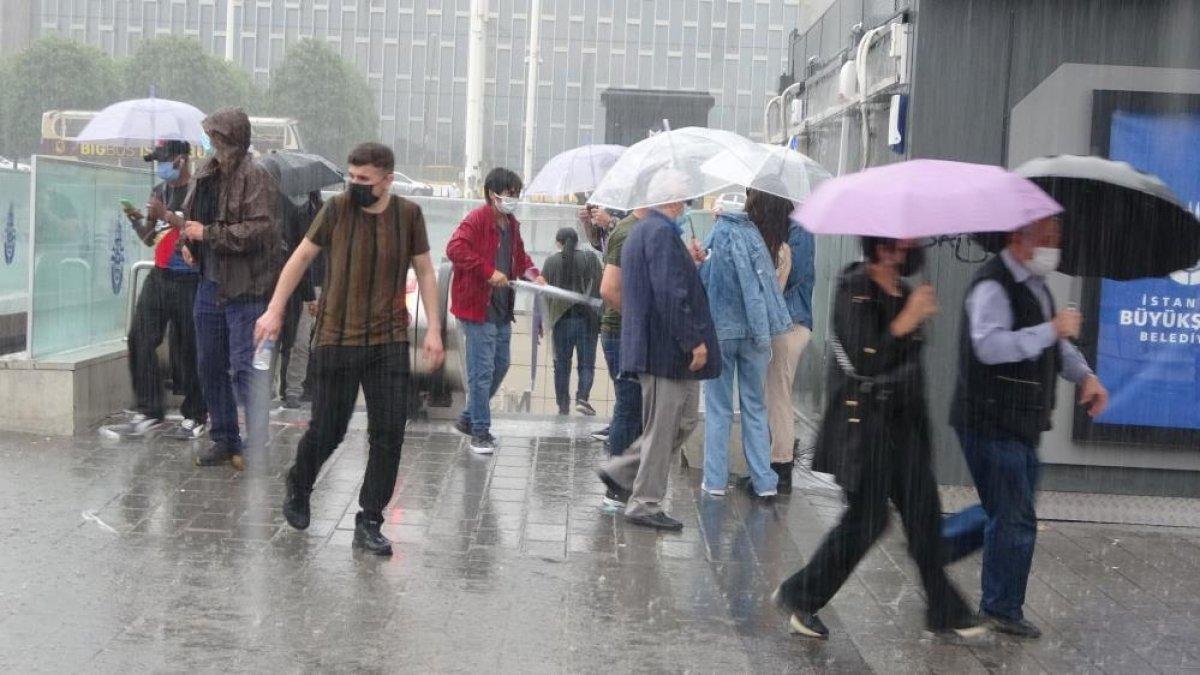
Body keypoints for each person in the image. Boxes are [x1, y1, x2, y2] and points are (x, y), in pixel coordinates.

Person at [773, 237, 983, 641]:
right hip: (865, 429)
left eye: (902, 243)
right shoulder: (855, 287)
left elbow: (907, 364)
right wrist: (908, 319)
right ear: (874, 243)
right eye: (888, 242)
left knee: (923, 518)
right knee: (867, 521)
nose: (896, 249)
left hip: (905, 430)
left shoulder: (904, 291)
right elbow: (865, 358)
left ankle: (944, 608)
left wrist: (915, 317)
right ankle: (801, 594)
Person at [257, 142, 444, 556]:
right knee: (329, 428)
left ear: (388, 180)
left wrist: (432, 330)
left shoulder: (409, 215)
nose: (356, 186)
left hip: (389, 341)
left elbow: (426, 271)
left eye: (365, 180)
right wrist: (274, 310)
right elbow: (301, 258)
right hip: (336, 339)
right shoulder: (336, 210)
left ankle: (370, 520)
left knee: (389, 433)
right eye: (352, 177)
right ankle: (299, 484)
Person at [941, 217, 1108, 638]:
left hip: (1020, 421)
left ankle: (935, 544)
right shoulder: (992, 286)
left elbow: (1057, 346)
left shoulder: (1036, 286)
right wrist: (1050, 329)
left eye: (1057, 238)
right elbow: (990, 346)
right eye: (1047, 238)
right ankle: (1000, 607)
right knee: (1014, 515)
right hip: (989, 418)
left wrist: (1085, 375)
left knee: (1008, 509)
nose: (1054, 247)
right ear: (1019, 238)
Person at [597, 173, 721, 531]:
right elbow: (669, 293)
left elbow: (666, 283)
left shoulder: (647, 232)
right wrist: (692, 340)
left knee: (680, 422)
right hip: (666, 350)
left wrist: (690, 261)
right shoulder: (660, 234)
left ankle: (622, 470)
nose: (685, 208)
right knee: (664, 427)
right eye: (683, 202)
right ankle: (645, 502)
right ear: (670, 202)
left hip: (659, 347)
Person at [179, 107, 284, 470]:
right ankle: (224, 437)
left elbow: (260, 230)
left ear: (235, 140)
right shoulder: (206, 175)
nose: (213, 144)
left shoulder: (256, 178)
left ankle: (256, 442)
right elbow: (191, 219)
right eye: (211, 137)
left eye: (218, 138)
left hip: (246, 290)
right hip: (208, 285)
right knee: (209, 364)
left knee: (245, 368)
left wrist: (208, 235)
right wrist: (188, 243)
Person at [105, 140, 207, 440]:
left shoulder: (198, 190)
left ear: (180, 160)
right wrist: (138, 218)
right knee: (139, 336)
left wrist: (167, 216)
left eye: (162, 161)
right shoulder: (159, 192)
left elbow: (200, 228)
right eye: (155, 161)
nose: (158, 167)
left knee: (189, 348)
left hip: (190, 278)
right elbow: (150, 238)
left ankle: (196, 414)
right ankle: (150, 410)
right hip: (160, 276)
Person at [697, 188, 792, 499]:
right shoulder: (755, 239)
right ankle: (764, 481)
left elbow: (701, 282)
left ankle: (714, 481)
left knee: (719, 408)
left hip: (721, 332)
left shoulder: (715, 236)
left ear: (723, 212)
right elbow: (766, 288)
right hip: (754, 335)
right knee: (754, 405)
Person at [447, 167, 545, 454]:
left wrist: (533, 273)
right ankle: (480, 432)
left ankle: (467, 419)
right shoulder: (477, 219)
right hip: (478, 310)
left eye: (516, 194)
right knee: (481, 372)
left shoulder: (511, 224)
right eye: (510, 194)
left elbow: (521, 257)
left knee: (500, 365)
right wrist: (488, 272)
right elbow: (455, 248)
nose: (513, 199)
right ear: (493, 194)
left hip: (502, 310)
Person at [767, 211, 817, 494]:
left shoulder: (798, 229)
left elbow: (795, 274)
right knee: (772, 395)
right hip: (787, 321)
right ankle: (774, 465)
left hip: (791, 322)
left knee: (777, 396)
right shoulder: (789, 227)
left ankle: (781, 467)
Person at [596, 209, 644, 459]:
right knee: (629, 407)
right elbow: (608, 289)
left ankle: (624, 475)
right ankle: (617, 481)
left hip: (630, 332)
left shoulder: (643, 230)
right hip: (622, 332)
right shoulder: (628, 232)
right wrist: (640, 319)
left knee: (633, 407)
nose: (679, 208)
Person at [542, 227, 603, 416]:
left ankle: (563, 406)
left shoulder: (551, 262)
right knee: (586, 365)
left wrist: (545, 321)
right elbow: (601, 287)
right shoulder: (590, 259)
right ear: (577, 242)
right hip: (588, 321)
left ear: (558, 242)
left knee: (561, 365)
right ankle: (582, 398)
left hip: (561, 322)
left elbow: (544, 295)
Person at [275, 191, 322, 409]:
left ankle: (293, 389)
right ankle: (276, 390)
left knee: (300, 341)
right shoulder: (285, 207)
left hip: (312, 283)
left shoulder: (322, 211)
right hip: (285, 282)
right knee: (280, 340)